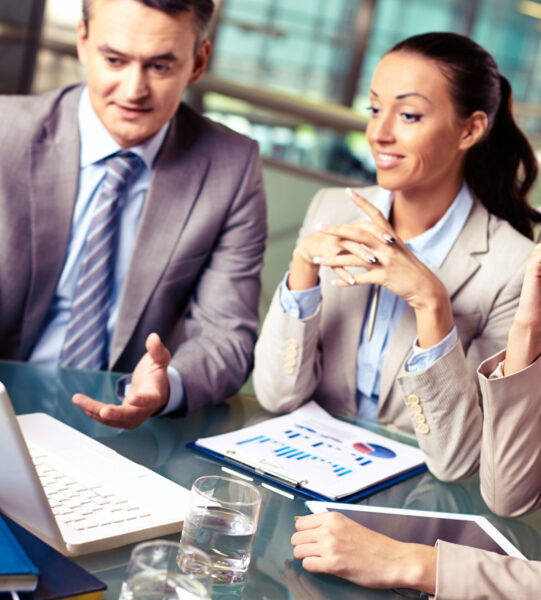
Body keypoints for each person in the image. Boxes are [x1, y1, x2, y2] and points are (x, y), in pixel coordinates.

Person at [252, 32, 538, 480]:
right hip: (308, 473)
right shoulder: (331, 210)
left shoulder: (512, 267)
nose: (378, 133)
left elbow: (458, 462)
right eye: (374, 109)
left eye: (408, 115)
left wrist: (432, 303)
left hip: (417, 506)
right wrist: (303, 269)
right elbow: (276, 397)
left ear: (470, 129)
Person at [0, 0, 266, 429]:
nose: (132, 90)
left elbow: (227, 335)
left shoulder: (230, 166)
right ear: (83, 42)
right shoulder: (4, 134)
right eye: (114, 60)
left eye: (160, 66)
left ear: (198, 62)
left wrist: (166, 385)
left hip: (121, 432)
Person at [291, 243, 541, 599]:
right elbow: (509, 497)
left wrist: (409, 562)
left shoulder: (504, 260)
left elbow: (464, 467)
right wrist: (528, 330)